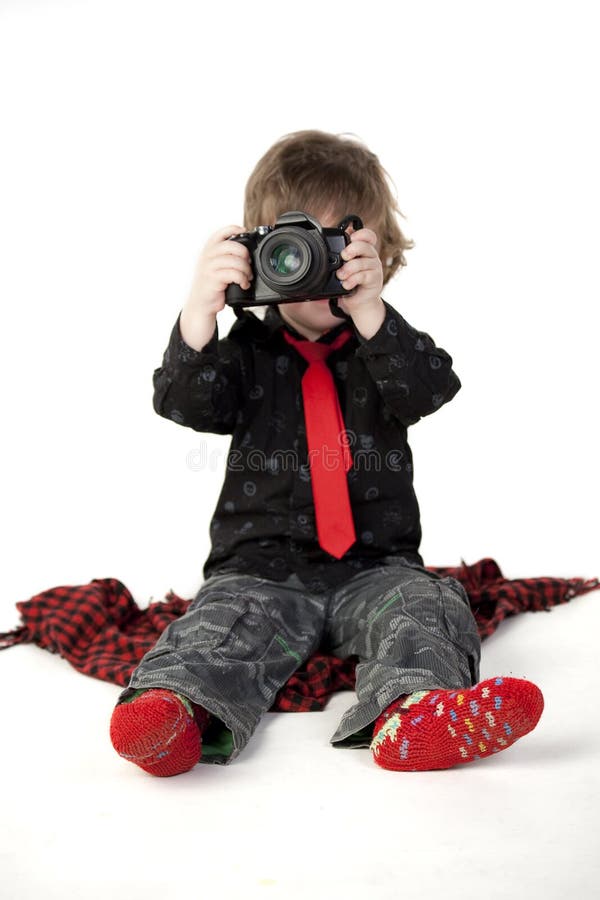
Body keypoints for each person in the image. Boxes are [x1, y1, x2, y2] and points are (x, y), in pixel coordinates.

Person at [109, 129, 544, 777]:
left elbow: (431, 387)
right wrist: (200, 311)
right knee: (223, 623)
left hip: (376, 566)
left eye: (333, 245)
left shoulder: (384, 345)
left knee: (428, 607)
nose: (310, 268)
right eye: (290, 248)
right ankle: (173, 713)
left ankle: (414, 714)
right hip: (261, 566)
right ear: (256, 254)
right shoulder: (246, 353)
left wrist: (372, 310)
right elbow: (187, 405)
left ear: (377, 254)